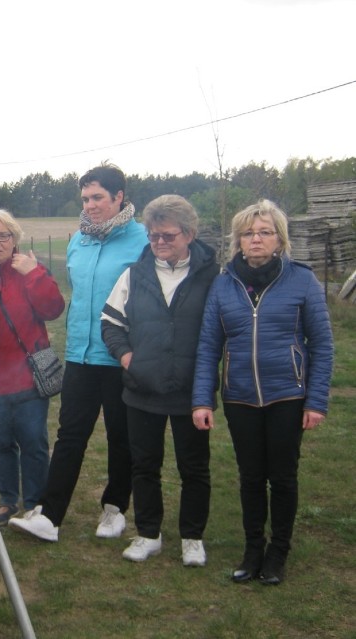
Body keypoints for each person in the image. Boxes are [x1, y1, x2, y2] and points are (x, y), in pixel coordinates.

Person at [192, 199, 333, 586]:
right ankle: (253, 549)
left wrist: (316, 400)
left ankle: (278, 553)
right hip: (240, 398)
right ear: (238, 240)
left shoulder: (302, 280)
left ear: (280, 239)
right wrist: (203, 399)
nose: (256, 239)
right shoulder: (223, 285)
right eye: (248, 233)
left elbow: (322, 344)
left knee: (283, 477)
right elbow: (208, 347)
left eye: (265, 232)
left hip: (288, 395)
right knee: (251, 477)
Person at [10, 164, 148, 542]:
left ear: (119, 197)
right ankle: (50, 517)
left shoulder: (142, 240)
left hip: (122, 356)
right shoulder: (78, 241)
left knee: (121, 436)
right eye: (85, 198)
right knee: (70, 434)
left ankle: (114, 509)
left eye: (98, 197)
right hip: (80, 356)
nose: (90, 205)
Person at [101, 195, 219, 565]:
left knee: (194, 468)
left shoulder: (213, 276)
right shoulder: (135, 274)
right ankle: (148, 533)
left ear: (189, 234)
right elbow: (111, 323)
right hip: (142, 389)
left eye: (167, 235)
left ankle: (192, 537)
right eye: (153, 236)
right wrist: (126, 357)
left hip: (191, 390)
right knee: (144, 465)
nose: (159, 243)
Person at [0, 209, 65, 524]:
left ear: (14, 239)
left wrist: (35, 273)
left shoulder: (30, 269)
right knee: (0, 445)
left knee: (34, 443)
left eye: (3, 236)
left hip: (28, 378)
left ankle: (36, 502)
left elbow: (53, 308)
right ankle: (8, 499)